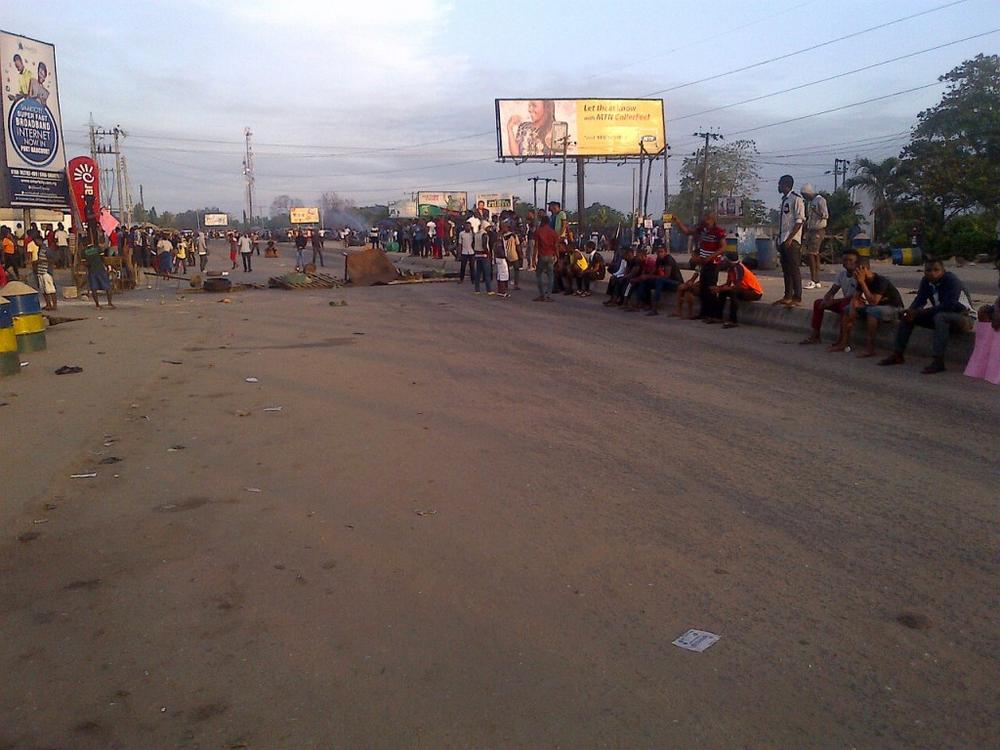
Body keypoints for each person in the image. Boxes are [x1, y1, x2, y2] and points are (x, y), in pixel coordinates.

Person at [879, 259, 973, 374]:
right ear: (924, 271)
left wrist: (919, 312)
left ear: (943, 271)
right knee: (908, 316)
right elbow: (920, 300)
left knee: (940, 317)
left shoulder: (952, 281)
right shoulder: (926, 281)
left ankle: (938, 361)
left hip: (963, 318)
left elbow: (949, 305)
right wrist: (910, 311)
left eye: (936, 270)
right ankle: (898, 354)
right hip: (940, 315)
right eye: (928, 270)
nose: (932, 273)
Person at [837, 261, 904, 357]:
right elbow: (855, 297)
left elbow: (873, 302)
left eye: (857, 272)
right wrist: (853, 308)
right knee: (847, 309)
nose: (854, 275)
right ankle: (844, 343)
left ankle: (870, 348)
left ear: (865, 270)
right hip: (878, 308)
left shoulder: (880, 280)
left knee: (872, 311)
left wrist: (862, 283)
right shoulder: (861, 281)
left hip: (894, 308)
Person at [800, 249, 860, 345]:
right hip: (846, 301)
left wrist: (834, 302)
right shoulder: (842, 274)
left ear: (856, 262)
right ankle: (815, 335)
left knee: (844, 306)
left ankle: (842, 340)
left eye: (850, 260)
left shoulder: (859, 275)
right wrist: (827, 298)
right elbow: (833, 290)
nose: (847, 262)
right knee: (818, 303)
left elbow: (856, 297)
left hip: (857, 303)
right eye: (845, 260)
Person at [673, 212, 727, 320]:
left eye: (707, 219)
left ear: (712, 220)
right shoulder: (702, 229)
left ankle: (713, 314)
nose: (704, 221)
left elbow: (723, 247)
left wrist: (711, 256)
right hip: (704, 263)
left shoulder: (718, 231)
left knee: (710, 288)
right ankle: (704, 313)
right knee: (703, 289)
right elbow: (687, 231)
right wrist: (678, 221)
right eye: (704, 219)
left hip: (713, 263)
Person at [774, 175, 806, 306]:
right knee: (786, 269)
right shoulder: (784, 200)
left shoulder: (796, 200)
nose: (778, 186)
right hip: (783, 239)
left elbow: (799, 221)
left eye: (780, 184)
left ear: (785, 185)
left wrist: (790, 238)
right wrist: (779, 238)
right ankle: (787, 295)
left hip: (792, 241)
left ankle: (797, 296)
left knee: (794, 269)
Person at [711, 251, 763, 328]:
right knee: (723, 292)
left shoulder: (738, 268)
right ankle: (718, 317)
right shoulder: (730, 269)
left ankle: (733, 320)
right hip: (745, 290)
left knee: (733, 292)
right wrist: (718, 288)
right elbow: (728, 284)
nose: (723, 261)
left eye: (724, 259)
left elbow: (737, 286)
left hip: (755, 292)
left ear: (729, 261)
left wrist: (722, 289)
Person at [640, 245, 684, 315]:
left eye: (661, 252)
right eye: (658, 252)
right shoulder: (659, 259)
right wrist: (647, 276)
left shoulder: (668, 259)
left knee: (659, 280)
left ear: (665, 252)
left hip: (675, 283)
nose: (659, 253)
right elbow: (654, 271)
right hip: (665, 282)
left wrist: (651, 277)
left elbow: (667, 276)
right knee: (646, 281)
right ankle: (647, 303)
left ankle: (655, 308)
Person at [801, 183, 828, 290]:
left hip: (818, 229)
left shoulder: (820, 200)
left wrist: (815, 210)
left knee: (811, 254)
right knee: (815, 255)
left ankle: (813, 279)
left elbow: (825, 215)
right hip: (811, 229)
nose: (804, 197)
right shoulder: (811, 202)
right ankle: (816, 280)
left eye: (804, 195)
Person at [533, 212, 558, 302]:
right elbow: (556, 246)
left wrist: (533, 259)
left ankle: (542, 294)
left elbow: (536, 246)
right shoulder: (553, 232)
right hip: (551, 255)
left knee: (538, 274)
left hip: (542, 255)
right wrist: (557, 256)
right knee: (551, 276)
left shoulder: (538, 231)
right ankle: (548, 295)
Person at [83, 240, 115, 309]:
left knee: (94, 288)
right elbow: (103, 258)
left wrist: (90, 265)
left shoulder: (84, 251)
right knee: (107, 286)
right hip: (100, 269)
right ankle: (109, 303)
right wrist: (106, 266)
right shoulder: (97, 248)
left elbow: (85, 263)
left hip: (92, 271)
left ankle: (97, 305)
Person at [472, 222, 493, 295]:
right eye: (488, 227)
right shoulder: (484, 234)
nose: (489, 229)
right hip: (484, 255)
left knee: (478, 273)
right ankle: (489, 290)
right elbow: (484, 245)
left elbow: (473, 244)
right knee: (487, 273)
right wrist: (488, 253)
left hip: (477, 255)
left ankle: (477, 290)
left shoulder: (477, 234)